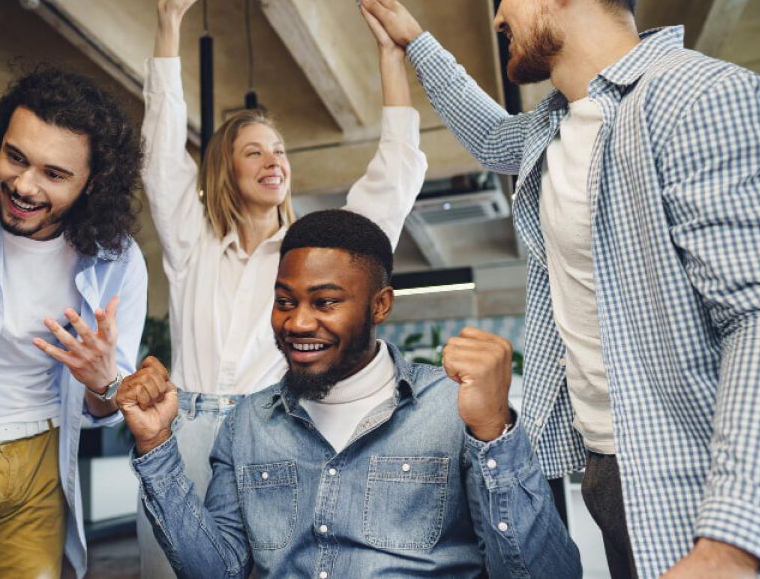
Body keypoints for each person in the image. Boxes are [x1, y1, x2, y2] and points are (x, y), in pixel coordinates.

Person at [359, 0, 760, 576]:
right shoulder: (557, 126)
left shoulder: (696, 97)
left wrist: (731, 544)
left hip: (703, 481)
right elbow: (492, 135)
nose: (497, 14)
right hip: (609, 471)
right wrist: (416, 45)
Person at [139, 0, 428, 575]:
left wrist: (390, 59)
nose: (274, 160)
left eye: (280, 151)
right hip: (184, 432)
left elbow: (395, 175)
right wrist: (168, 25)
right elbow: (161, 151)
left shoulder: (311, 253)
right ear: (225, 169)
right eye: (255, 151)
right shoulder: (193, 243)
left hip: (273, 433)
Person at [118, 209, 582, 578]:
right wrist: (156, 447)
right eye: (285, 301)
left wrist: (493, 432)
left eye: (325, 302)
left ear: (380, 305)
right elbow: (216, 571)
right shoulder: (248, 423)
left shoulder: (452, 408)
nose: (297, 322)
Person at [0, 66, 148, 578]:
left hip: (40, 462)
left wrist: (103, 381)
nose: (24, 186)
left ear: (93, 182)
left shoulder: (117, 260)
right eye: (16, 157)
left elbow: (108, 403)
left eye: (54, 174)